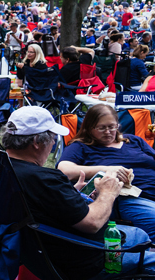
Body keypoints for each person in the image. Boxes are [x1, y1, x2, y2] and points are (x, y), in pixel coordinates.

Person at [5, 106, 155, 280]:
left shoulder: (3, 170)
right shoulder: (43, 178)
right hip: (81, 264)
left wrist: (69, 197)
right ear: (36, 142)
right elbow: (94, 223)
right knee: (138, 249)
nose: (54, 144)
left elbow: (44, 207)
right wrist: (107, 193)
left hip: (40, 256)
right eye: (52, 138)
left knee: (136, 234)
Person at [58, 103, 155, 240]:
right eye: (101, 128)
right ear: (89, 128)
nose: (108, 132)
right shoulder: (81, 147)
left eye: (112, 127)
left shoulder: (134, 140)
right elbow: (64, 170)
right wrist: (106, 169)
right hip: (129, 198)